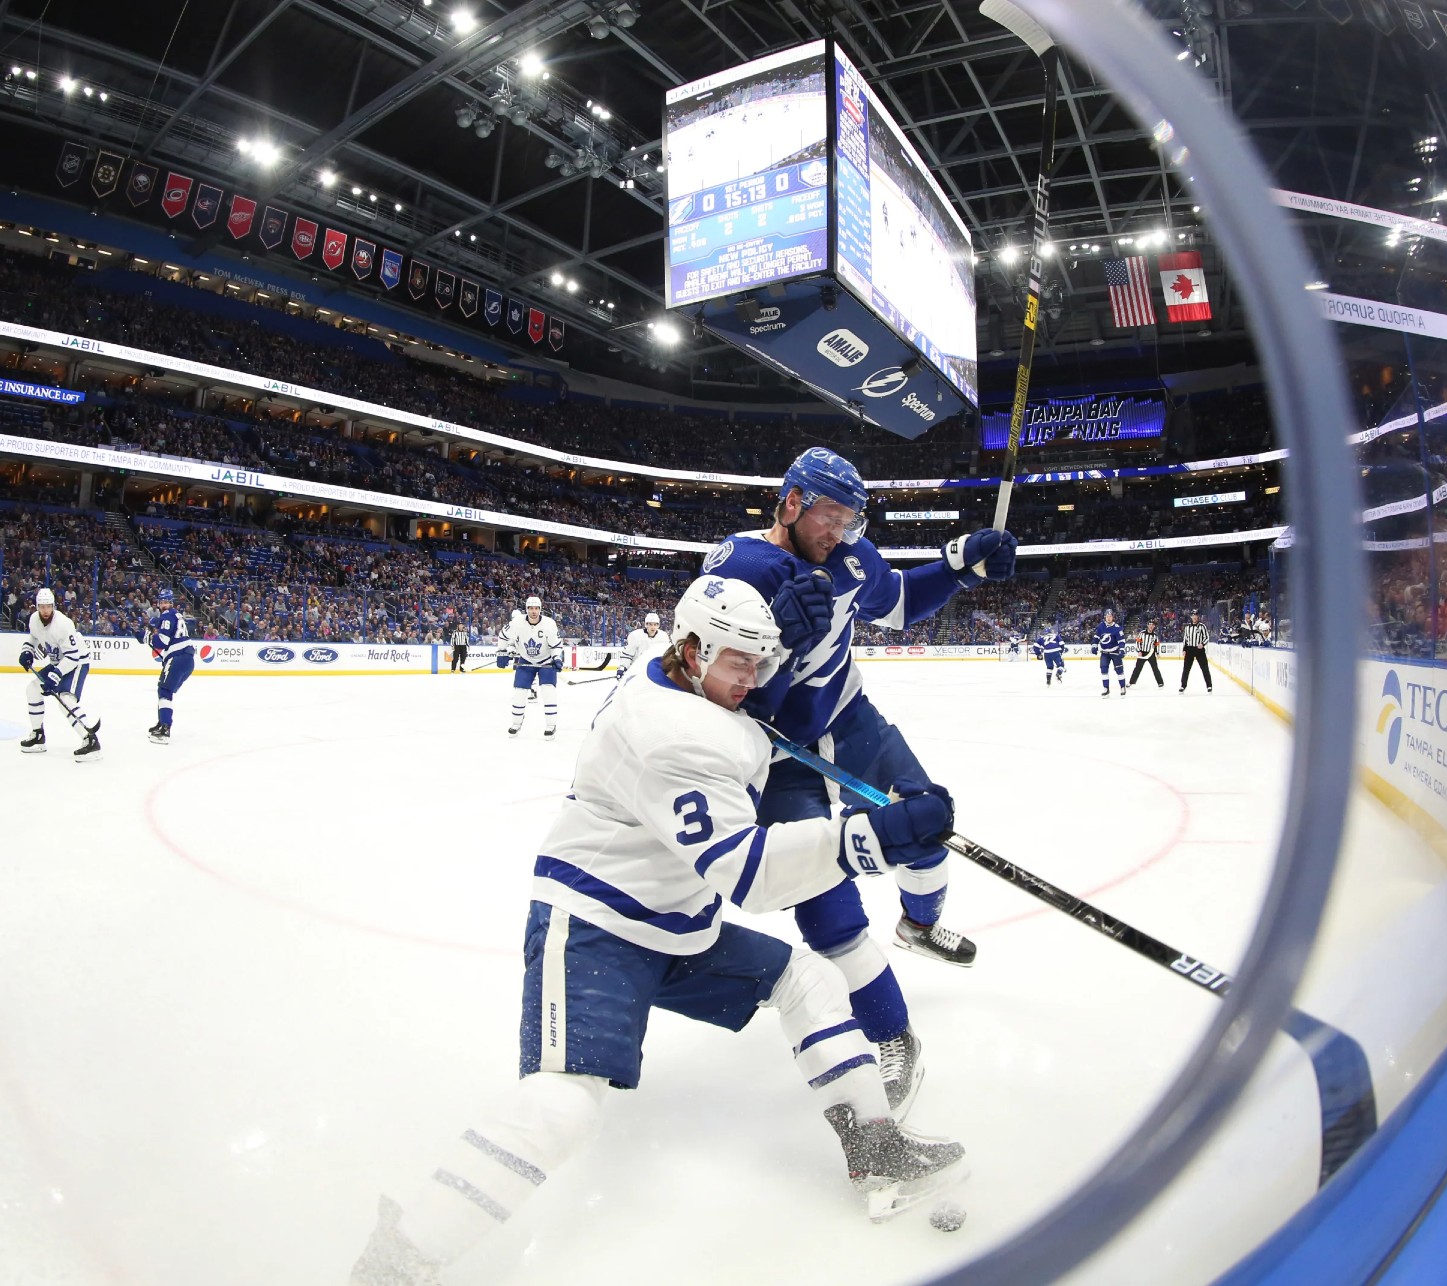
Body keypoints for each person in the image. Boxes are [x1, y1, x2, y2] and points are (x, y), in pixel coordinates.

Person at [348, 577, 968, 1286]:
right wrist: (873, 838)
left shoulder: (681, 682)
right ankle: (399, 1259)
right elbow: (751, 875)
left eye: (762, 661)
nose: (755, 679)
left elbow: (739, 736)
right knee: (564, 1104)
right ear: (693, 648)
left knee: (809, 981)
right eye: (742, 661)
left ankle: (879, 1154)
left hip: (676, 923)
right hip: (595, 925)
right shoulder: (670, 733)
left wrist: (759, 672)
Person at [701, 447, 1018, 1111]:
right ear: (790, 503)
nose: (838, 532)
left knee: (926, 819)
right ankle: (894, 1035)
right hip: (776, 753)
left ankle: (919, 925)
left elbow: (899, 604)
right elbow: (709, 686)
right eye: (828, 516)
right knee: (829, 913)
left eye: (850, 519)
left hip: (847, 715)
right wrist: (778, 649)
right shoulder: (738, 570)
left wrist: (959, 569)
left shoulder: (850, 556)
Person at [19, 587, 102, 760]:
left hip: (77, 662)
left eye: (48, 606)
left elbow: (72, 658)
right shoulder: (34, 620)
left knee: (65, 700)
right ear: (37, 607)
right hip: (58, 662)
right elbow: (33, 638)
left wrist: (55, 676)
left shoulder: (63, 624)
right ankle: (38, 736)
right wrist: (27, 651)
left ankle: (90, 740)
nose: (45, 610)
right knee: (32, 689)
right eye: (42, 606)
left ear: (53, 606)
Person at [498, 595, 563, 737]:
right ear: (526, 609)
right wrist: (501, 652)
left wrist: (557, 657)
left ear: (540, 609)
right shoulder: (517, 622)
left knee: (548, 691)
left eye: (536, 608)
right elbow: (503, 636)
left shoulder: (549, 624)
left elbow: (556, 645)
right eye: (530, 608)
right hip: (525, 661)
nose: (533, 611)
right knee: (519, 693)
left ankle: (551, 725)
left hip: (545, 661)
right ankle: (516, 723)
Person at [145, 587, 193, 745]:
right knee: (165, 690)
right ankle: (162, 722)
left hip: (178, 657)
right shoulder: (176, 615)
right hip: (187, 659)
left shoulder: (166, 616)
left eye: (167, 602)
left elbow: (162, 642)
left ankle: (165, 728)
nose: (164, 605)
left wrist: (148, 637)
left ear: (170, 603)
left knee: (164, 691)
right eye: (162, 602)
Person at [616, 610, 671, 677]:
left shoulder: (663, 636)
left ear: (658, 625)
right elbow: (628, 654)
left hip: (655, 672)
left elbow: (666, 655)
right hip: (637, 671)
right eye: (650, 624)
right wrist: (623, 667)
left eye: (655, 624)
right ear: (646, 624)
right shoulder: (635, 635)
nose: (653, 627)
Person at [1095, 609, 1128, 698]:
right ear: (1105, 617)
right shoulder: (1101, 627)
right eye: (1107, 616)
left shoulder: (1117, 628)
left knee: (1119, 671)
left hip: (1115, 652)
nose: (1109, 618)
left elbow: (1121, 641)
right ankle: (1106, 689)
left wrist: (1121, 649)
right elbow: (1096, 637)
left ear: (1112, 617)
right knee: (1104, 670)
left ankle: (1122, 687)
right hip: (1104, 653)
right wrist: (1094, 646)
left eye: (1110, 616)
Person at [1181, 610, 1214, 693]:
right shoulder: (1187, 627)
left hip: (1199, 650)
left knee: (1205, 668)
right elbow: (1185, 639)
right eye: (1193, 615)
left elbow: (1207, 637)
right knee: (1186, 669)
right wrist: (1184, 649)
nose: (1194, 617)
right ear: (1191, 617)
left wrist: (1202, 644)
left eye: (1196, 615)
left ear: (1198, 617)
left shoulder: (1202, 626)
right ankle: (1183, 685)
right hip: (1189, 650)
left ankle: (1209, 685)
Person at [1129, 619, 1166, 689]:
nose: (1151, 626)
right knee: (1137, 668)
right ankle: (1131, 682)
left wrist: (1157, 653)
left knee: (1155, 668)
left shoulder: (1155, 636)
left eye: (1152, 625)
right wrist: (1139, 651)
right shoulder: (1142, 633)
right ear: (1147, 625)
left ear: (1154, 626)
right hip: (1142, 653)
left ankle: (1160, 683)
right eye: (1150, 625)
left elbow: (1156, 645)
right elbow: (1138, 642)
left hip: (1151, 654)